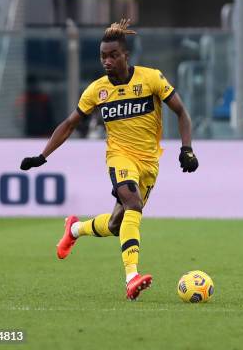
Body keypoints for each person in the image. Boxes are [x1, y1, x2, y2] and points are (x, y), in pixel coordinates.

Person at [20, 19, 199, 300]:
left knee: (118, 224)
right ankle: (132, 277)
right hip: (120, 157)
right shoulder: (97, 91)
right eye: (103, 56)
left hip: (149, 163)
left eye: (113, 55)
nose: (107, 61)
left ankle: (75, 228)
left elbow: (182, 112)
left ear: (125, 56)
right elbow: (69, 124)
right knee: (133, 205)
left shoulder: (151, 78)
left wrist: (186, 148)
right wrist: (42, 156)